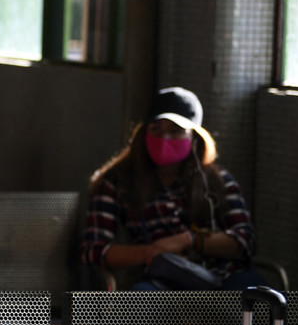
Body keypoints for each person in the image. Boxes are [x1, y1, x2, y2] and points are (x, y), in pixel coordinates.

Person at [81, 86, 268, 291]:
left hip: (227, 276)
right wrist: (153, 252)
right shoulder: (118, 182)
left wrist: (189, 240)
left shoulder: (218, 180)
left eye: (176, 131)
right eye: (156, 129)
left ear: (195, 138)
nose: (165, 139)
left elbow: (245, 241)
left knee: (256, 304)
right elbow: (94, 250)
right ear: (142, 134)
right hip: (164, 279)